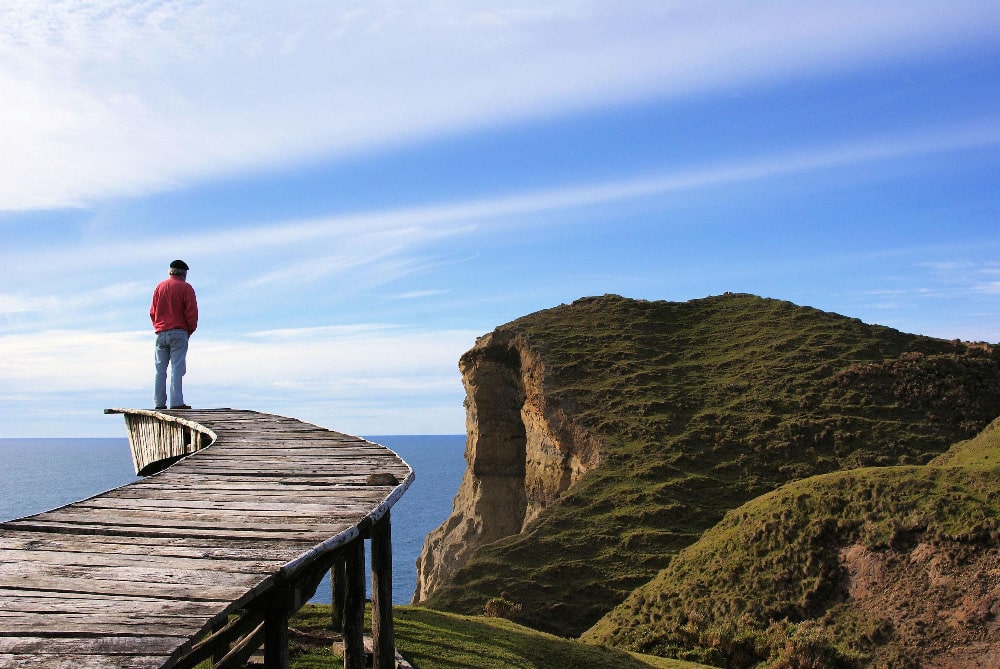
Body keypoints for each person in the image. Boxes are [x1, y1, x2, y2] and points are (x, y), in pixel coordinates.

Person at [150, 259, 198, 409]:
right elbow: (191, 313)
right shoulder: (185, 288)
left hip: (161, 332)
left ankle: (159, 403)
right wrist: (189, 330)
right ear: (183, 273)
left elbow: (153, 312)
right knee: (177, 369)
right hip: (178, 331)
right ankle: (176, 402)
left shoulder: (160, 287)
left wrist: (158, 326)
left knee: (160, 370)